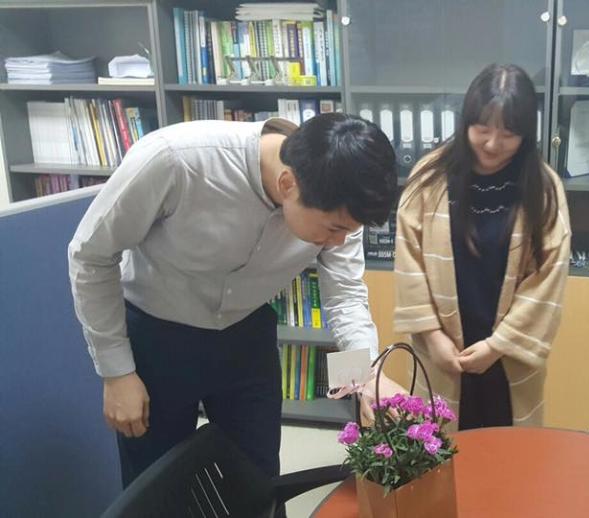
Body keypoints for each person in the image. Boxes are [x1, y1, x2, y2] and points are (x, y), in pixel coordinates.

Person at [68, 112, 404, 488]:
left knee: (256, 480)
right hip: (156, 334)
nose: (339, 241)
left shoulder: (339, 200)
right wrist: (116, 373)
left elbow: (344, 297)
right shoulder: (175, 160)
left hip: (246, 333)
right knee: (155, 485)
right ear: (288, 184)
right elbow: (90, 255)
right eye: (335, 229)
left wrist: (366, 378)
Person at [393, 64, 571, 430]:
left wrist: (497, 346)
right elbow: (409, 259)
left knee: (508, 449)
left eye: (508, 133)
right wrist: (433, 337)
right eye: (482, 129)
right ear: (466, 122)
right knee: (439, 444)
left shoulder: (544, 188)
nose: (492, 144)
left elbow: (548, 276)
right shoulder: (429, 177)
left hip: (508, 356)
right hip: (442, 352)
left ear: (526, 133)